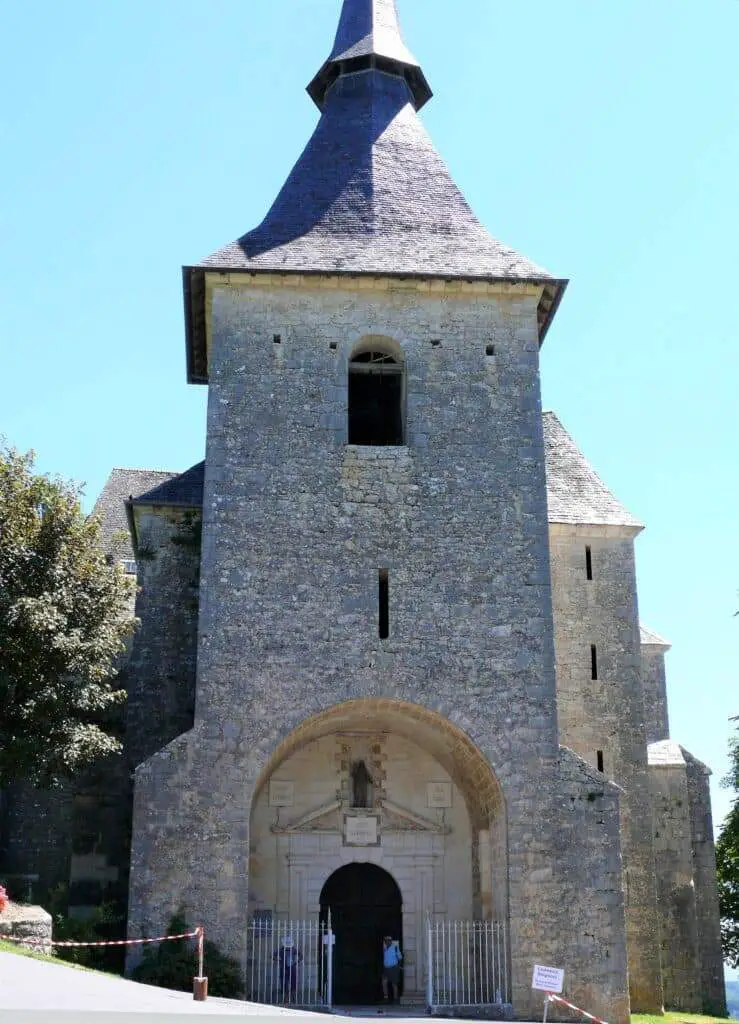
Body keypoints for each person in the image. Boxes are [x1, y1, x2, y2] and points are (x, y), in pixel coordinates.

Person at [274, 935, 302, 1003]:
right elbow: (274, 956)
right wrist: (280, 961)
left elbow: (301, 956)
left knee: (292, 983)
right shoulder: (282, 949)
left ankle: (292, 998)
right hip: (285, 968)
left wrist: (296, 962)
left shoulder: (293, 949)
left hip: (291, 968)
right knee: (285, 984)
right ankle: (287, 998)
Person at [381, 935, 403, 1005]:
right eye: (386, 940)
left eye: (389, 940)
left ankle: (395, 999)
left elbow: (400, 958)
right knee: (384, 982)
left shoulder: (395, 947)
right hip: (386, 968)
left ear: (391, 941)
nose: (387, 941)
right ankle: (386, 998)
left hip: (393, 967)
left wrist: (399, 966)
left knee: (394, 984)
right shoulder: (384, 947)